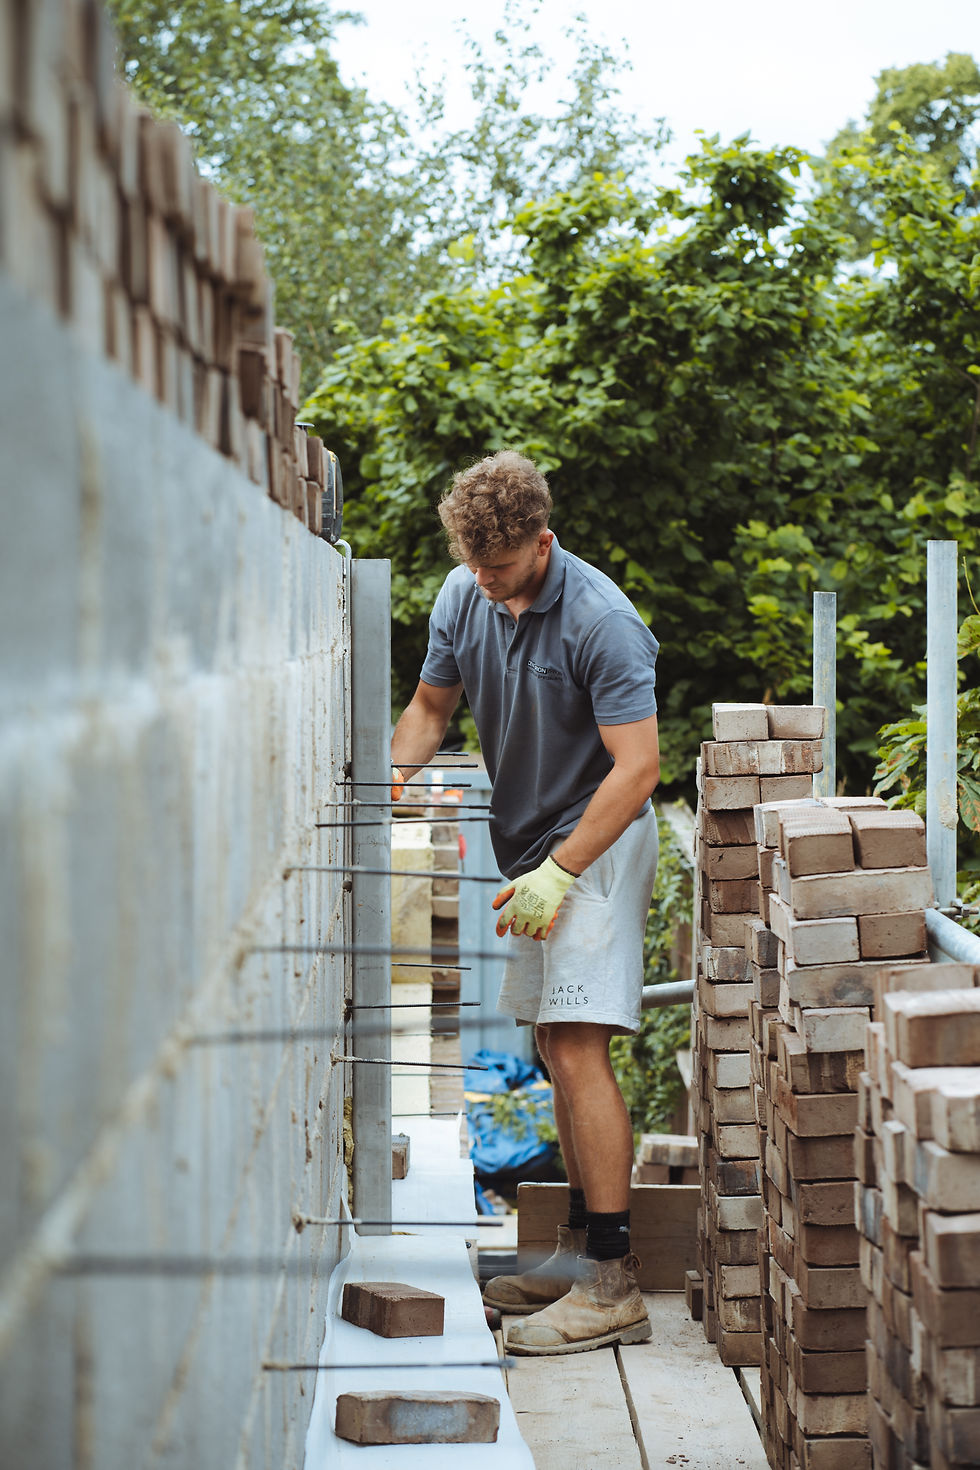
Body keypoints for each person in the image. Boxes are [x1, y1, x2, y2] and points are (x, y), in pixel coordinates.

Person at [390, 450, 660, 1355]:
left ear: (542, 542)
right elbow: (433, 704)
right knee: (551, 1044)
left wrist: (562, 872)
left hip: (601, 844)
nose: (485, 584)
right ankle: (582, 1257)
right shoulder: (464, 593)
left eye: (500, 570)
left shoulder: (602, 621)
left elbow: (639, 770)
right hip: (533, 850)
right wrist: (393, 771)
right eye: (473, 565)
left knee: (580, 1046)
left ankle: (615, 1286)